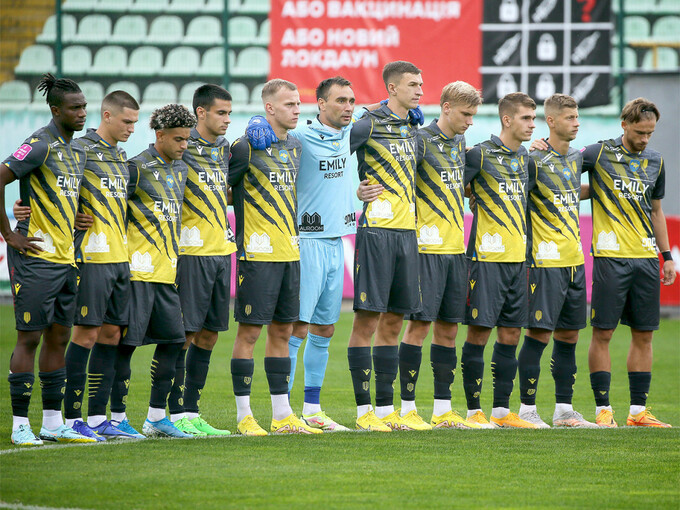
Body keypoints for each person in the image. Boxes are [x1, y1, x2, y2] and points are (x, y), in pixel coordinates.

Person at [1, 73, 94, 445]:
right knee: (29, 338)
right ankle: (20, 425)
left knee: (60, 337)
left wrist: (76, 220)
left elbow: (57, 198)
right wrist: (9, 234)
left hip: (66, 259)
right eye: (74, 108)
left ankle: (53, 423)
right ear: (56, 110)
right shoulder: (40, 144)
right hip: (36, 257)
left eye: (84, 106)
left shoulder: (77, 151)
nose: (82, 113)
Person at [228, 79, 320, 435]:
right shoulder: (245, 147)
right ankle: (244, 416)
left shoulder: (295, 145)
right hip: (257, 255)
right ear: (269, 108)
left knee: (284, 330)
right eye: (289, 105)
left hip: (290, 252)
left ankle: (282, 416)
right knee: (250, 333)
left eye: (298, 104)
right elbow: (222, 191)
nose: (297, 110)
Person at [582, 98, 675, 428]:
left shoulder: (656, 161)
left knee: (644, 335)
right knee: (603, 333)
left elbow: (656, 211)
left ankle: (638, 412)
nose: (645, 139)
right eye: (639, 132)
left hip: (646, 260)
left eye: (650, 133)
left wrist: (666, 257)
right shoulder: (598, 153)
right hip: (611, 257)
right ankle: (603, 410)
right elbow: (561, 174)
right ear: (624, 125)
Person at [55, 91, 142, 440]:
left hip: (120, 259)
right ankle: (71, 418)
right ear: (106, 116)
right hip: (91, 257)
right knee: (86, 334)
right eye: (126, 122)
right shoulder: (80, 150)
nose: (131, 129)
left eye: (135, 123)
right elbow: (53, 186)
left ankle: (96, 419)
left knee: (111, 335)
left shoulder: (121, 156)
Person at [398, 81, 482, 429]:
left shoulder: (461, 144)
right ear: (446, 107)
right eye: (465, 114)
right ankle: (406, 408)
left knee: (448, 331)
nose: (470, 121)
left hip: (455, 250)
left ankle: (443, 410)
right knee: (418, 327)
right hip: (425, 249)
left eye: (473, 115)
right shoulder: (419, 140)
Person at [347, 61, 426, 432]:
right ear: (392, 88)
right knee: (367, 320)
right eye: (412, 85)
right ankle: (364, 411)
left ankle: (384, 410)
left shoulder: (412, 127)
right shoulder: (366, 124)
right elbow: (329, 159)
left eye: (421, 85)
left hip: (407, 233)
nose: (420, 91)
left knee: (394, 321)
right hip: (377, 232)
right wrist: (354, 191)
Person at [114, 103, 197, 438]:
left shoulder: (181, 169)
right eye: (178, 139)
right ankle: (116, 418)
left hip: (167, 274)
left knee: (175, 341)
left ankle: (156, 418)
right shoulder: (136, 168)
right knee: (126, 346)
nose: (184, 145)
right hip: (137, 273)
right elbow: (111, 208)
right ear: (160, 135)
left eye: (187, 139)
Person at [518, 94, 596, 428]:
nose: (576, 123)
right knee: (538, 335)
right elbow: (513, 197)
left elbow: (573, 190)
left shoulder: (578, 158)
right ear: (550, 121)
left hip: (574, 261)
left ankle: (564, 410)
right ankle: (526, 409)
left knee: (569, 337)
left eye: (577, 117)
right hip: (543, 262)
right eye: (569, 118)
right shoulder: (533, 159)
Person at [462, 92, 537, 429]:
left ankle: (502, 412)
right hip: (486, 260)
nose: (532, 125)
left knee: (510, 335)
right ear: (507, 119)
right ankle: (473, 412)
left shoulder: (528, 161)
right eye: (526, 118)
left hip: (518, 261)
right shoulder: (478, 154)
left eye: (534, 119)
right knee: (479, 334)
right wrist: (473, 194)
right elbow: (454, 187)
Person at [165, 84, 236, 437]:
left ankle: (192, 411)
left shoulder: (224, 148)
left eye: (230, 113)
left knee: (209, 335)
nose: (227, 120)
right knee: (185, 334)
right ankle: (172, 413)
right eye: (221, 113)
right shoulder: (182, 147)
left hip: (222, 251)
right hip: (191, 253)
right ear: (201, 113)